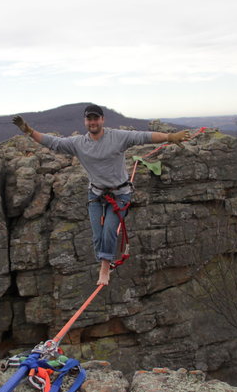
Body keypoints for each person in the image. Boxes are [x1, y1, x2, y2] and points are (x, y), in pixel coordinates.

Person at [12, 104, 189, 286]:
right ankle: (105, 260)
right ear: (85, 121)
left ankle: (105, 267)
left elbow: (143, 136)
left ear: (102, 120)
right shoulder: (78, 143)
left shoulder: (117, 137)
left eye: (96, 118)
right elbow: (53, 142)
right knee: (97, 236)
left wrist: (169, 137)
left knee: (109, 230)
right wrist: (29, 131)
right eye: (90, 119)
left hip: (120, 193)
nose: (93, 122)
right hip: (96, 194)